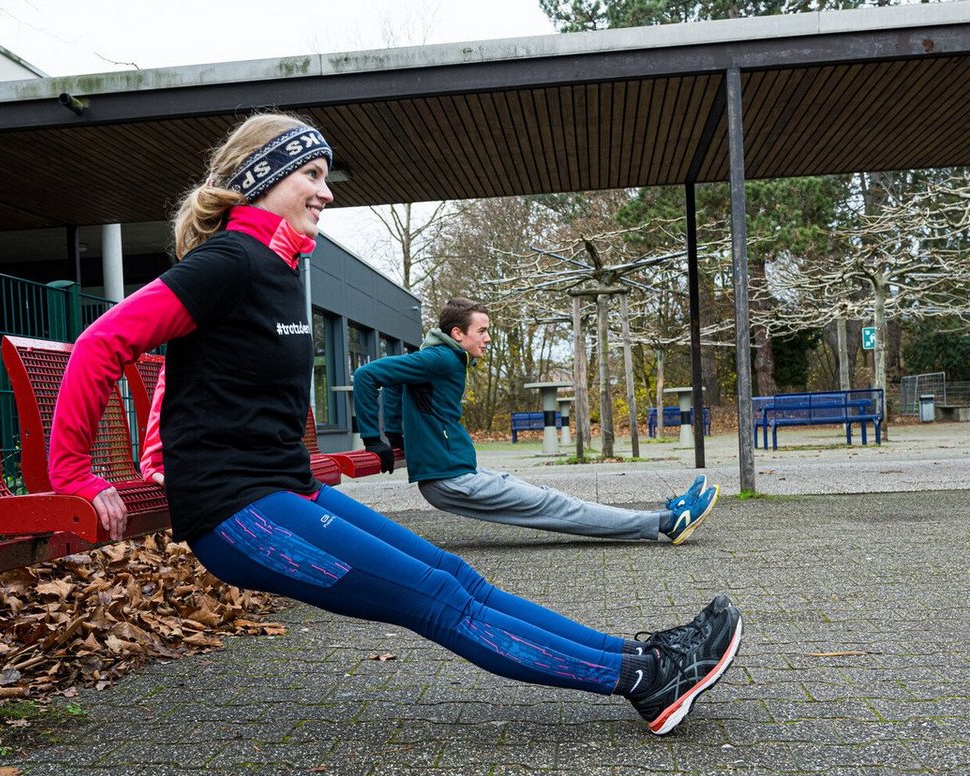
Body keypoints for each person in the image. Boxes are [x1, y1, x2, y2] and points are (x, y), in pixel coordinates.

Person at [49, 111, 742, 736]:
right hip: (239, 515)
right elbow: (103, 342)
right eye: (311, 176)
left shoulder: (280, 267)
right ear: (263, 179)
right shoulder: (228, 261)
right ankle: (645, 681)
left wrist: (162, 450)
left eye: (326, 177)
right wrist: (74, 474)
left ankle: (641, 655)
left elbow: (185, 367)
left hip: (281, 491)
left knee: (452, 573)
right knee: (438, 598)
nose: (326, 192)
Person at [352, 298, 720, 546]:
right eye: (482, 331)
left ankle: (662, 517)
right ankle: (665, 523)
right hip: (450, 480)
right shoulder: (441, 360)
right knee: (557, 507)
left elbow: (399, 383)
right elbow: (368, 375)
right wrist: (374, 439)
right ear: (457, 335)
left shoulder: (437, 358)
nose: (489, 337)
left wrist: (397, 434)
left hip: (455, 473)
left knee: (551, 500)